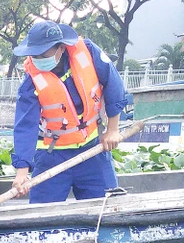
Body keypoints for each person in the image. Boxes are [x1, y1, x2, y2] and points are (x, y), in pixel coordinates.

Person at [10, 21, 127, 203]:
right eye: (35, 55)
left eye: (44, 53)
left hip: (93, 150)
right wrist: (22, 172)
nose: (38, 59)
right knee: (42, 216)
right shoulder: (31, 82)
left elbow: (114, 85)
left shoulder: (88, 53)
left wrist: (112, 130)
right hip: (52, 156)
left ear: (61, 48)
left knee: (105, 207)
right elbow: (25, 126)